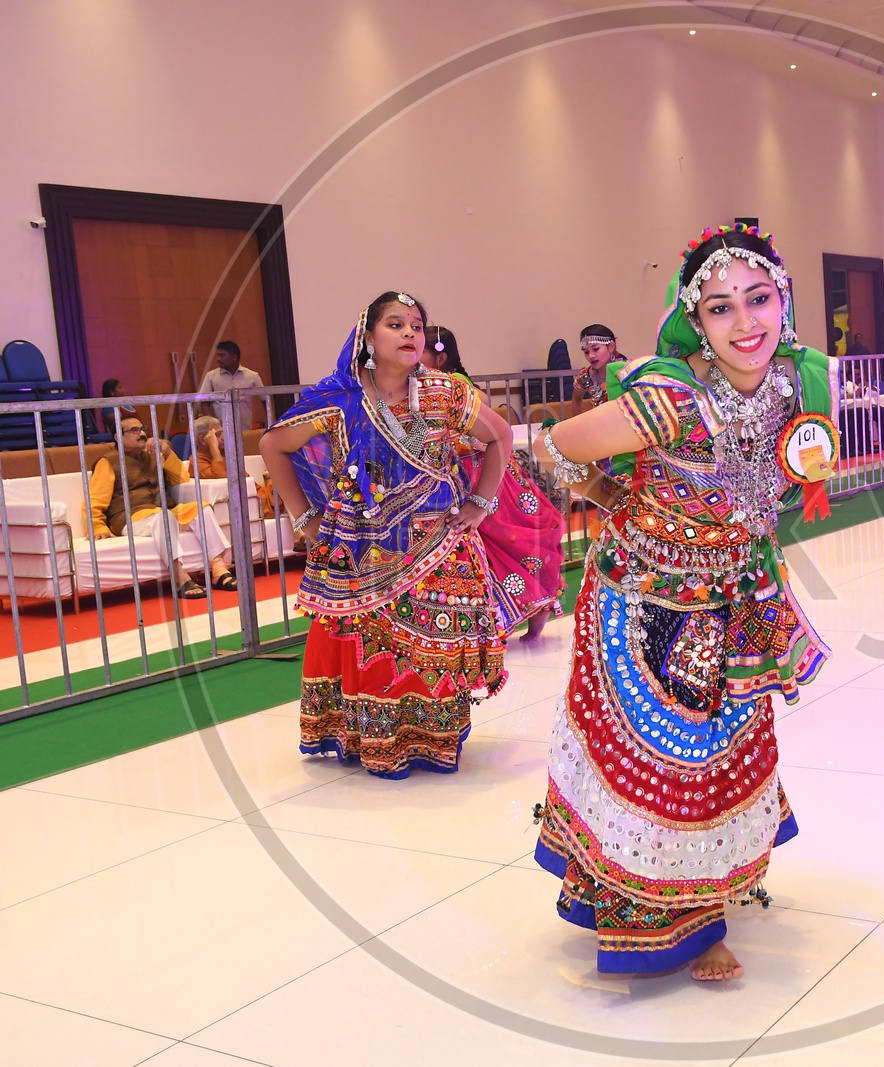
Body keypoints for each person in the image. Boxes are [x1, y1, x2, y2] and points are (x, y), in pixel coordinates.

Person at [530, 223, 834, 982]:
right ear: (695, 322)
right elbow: (552, 445)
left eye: (758, 299)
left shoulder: (796, 385)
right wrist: (612, 496)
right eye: (722, 308)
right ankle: (677, 924)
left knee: (720, 755)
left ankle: (697, 894)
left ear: (784, 298)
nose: (747, 323)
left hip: (733, 597)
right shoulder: (668, 397)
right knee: (667, 763)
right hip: (643, 602)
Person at [258, 291, 514, 778]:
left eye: (417, 325)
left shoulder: (446, 393)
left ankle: (433, 737)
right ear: (367, 337)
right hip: (360, 548)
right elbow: (273, 445)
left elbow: (499, 436)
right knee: (370, 645)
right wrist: (305, 520)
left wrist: (480, 503)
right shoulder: (338, 399)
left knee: (433, 646)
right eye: (396, 324)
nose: (411, 333)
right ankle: (371, 737)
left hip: (438, 541)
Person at [423, 325, 565, 642]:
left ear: (440, 356)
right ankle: (504, 615)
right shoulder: (425, 387)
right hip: (462, 475)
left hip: (480, 477)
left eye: (421, 350)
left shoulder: (452, 386)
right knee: (485, 549)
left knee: (506, 542)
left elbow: (481, 428)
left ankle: (530, 608)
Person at [88, 414, 236, 597]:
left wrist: (166, 451)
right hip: (130, 517)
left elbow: (181, 478)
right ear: (118, 437)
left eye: (143, 429)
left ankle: (218, 567)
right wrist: (97, 525)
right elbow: (95, 499)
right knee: (163, 517)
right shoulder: (108, 461)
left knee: (202, 508)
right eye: (134, 430)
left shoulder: (154, 455)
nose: (141, 434)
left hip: (162, 510)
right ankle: (180, 577)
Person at [191, 414, 276, 517]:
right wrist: (213, 446)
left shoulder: (223, 454)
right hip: (252, 504)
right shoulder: (197, 462)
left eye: (222, 433)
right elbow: (224, 478)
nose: (223, 438)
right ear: (202, 440)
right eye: (216, 435)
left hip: (259, 496)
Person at [199, 340, 266, 426]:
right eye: (218, 355)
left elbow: (265, 400)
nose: (218, 359)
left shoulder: (252, 376)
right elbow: (204, 403)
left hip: (245, 429)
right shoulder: (211, 376)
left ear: (234, 357)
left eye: (222, 355)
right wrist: (213, 426)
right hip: (221, 432)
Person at [573, 325, 625, 404]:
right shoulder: (586, 376)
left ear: (611, 347)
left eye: (596, 349)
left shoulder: (626, 371)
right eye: (586, 352)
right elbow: (576, 400)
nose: (591, 356)